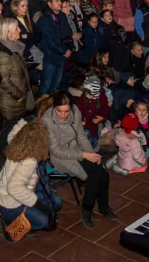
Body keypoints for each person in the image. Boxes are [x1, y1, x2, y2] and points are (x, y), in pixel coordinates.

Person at [41, 91, 115, 228]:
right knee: (94, 176)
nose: (63, 115)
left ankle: (103, 207)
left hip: (77, 149)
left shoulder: (75, 111)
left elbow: (81, 137)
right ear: (54, 107)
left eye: (66, 111)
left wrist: (92, 154)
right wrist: (84, 155)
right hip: (60, 157)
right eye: (59, 111)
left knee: (103, 173)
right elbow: (56, 150)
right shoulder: (47, 121)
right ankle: (86, 208)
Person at [0, 119, 59, 234]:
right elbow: (14, 188)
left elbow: (13, 133)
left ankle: (28, 215)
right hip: (9, 204)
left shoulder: (15, 143)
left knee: (56, 203)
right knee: (43, 221)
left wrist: (26, 124)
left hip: (4, 195)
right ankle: (10, 223)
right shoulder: (29, 161)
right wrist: (34, 201)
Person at [0, 18, 34, 121]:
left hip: (19, 100)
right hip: (11, 104)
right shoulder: (3, 55)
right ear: (8, 33)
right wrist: (20, 96)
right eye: (16, 28)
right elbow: (3, 81)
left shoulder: (15, 48)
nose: (20, 30)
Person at [36, 0, 71, 95]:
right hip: (50, 56)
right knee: (46, 83)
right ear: (49, 4)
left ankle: (51, 105)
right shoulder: (45, 19)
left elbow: (68, 34)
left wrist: (69, 48)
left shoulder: (62, 16)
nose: (60, 3)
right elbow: (48, 40)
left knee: (56, 83)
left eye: (60, 0)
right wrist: (63, 50)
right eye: (56, 1)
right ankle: (42, 105)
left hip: (61, 56)